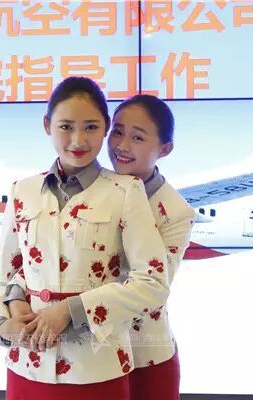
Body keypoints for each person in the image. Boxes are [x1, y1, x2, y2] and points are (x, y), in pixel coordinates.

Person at [0, 77, 170, 400]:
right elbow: (2, 276)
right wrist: (2, 325)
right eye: (66, 127)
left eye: (91, 127)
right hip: (27, 366)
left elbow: (153, 282)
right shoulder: (22, 191)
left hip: (97, 369)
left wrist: (70, 311)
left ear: (105, 127)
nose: (78, 140)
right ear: (47, 125)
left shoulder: (126, 192)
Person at [108, 95, 195, 400]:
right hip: (90, 357)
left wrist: (70, 310)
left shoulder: (176, 211)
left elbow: (150, 290)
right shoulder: (92, 190)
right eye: (117, 131)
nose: (122, 145)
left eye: (137, 137)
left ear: (165, 149)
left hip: (145, 357)